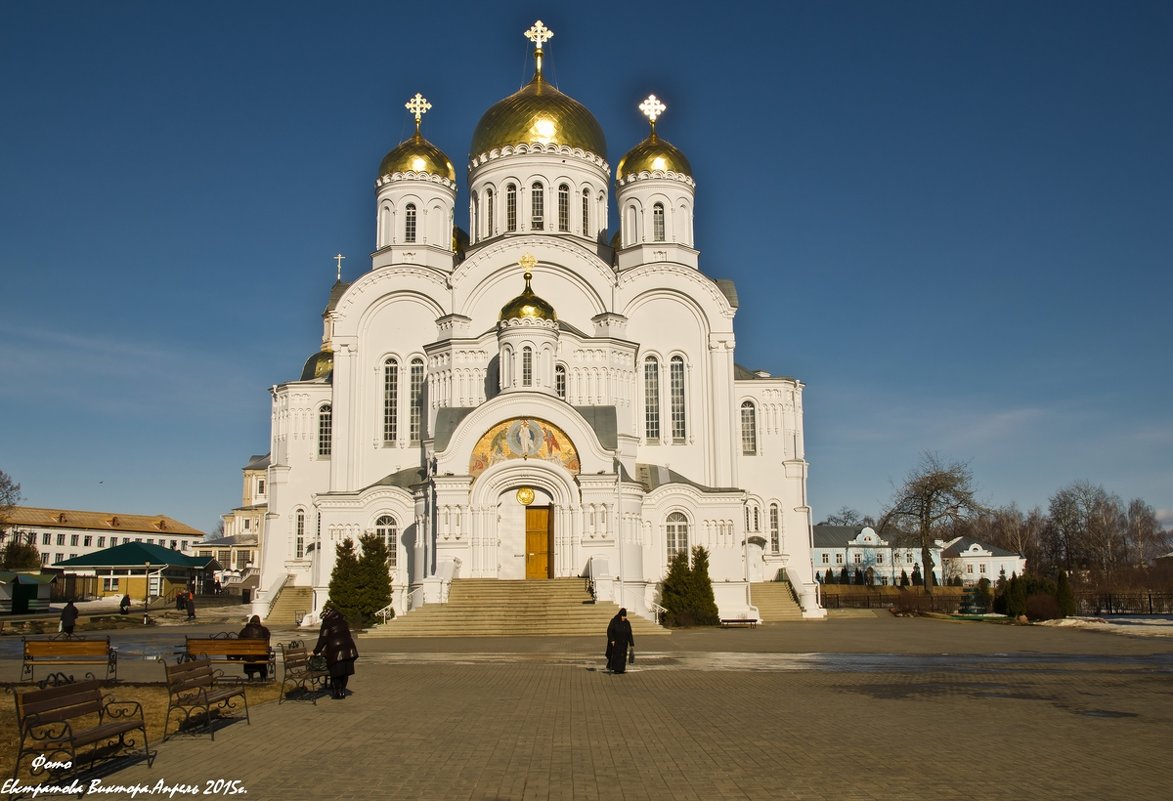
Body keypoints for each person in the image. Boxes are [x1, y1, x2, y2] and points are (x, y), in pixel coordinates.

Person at [313, 606, 359, 699]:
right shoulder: (343, 621)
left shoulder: (327, 623)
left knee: (336, 673)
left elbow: (323, 639)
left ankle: (337, 693)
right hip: (349, 650)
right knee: (345, 672)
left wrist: (316, 651)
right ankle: (342, 691)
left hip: (336, 651)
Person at [237, 614, 272, 680]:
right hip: (261, 656)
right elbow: (268, 639)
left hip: (247, 656)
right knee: (262, 655)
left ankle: (250, 677)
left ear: (250, 622)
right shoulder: (264, 630)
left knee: (248, 654)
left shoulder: (244, 630)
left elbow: (239, 642)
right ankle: (263, 677)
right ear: (259, 622)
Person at [605, 608, 635, 674]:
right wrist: (612, 640)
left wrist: (631, 643)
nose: (624, 618)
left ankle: (621, 669)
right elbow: (609, 631)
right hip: (616, 642)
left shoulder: (627, 623)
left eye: (625, 616)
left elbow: (629, 633)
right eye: (623, 616)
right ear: (620, 615)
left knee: (623, 656)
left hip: (624, 643)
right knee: (616, 656)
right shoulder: (614, 621)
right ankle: (616, 669)